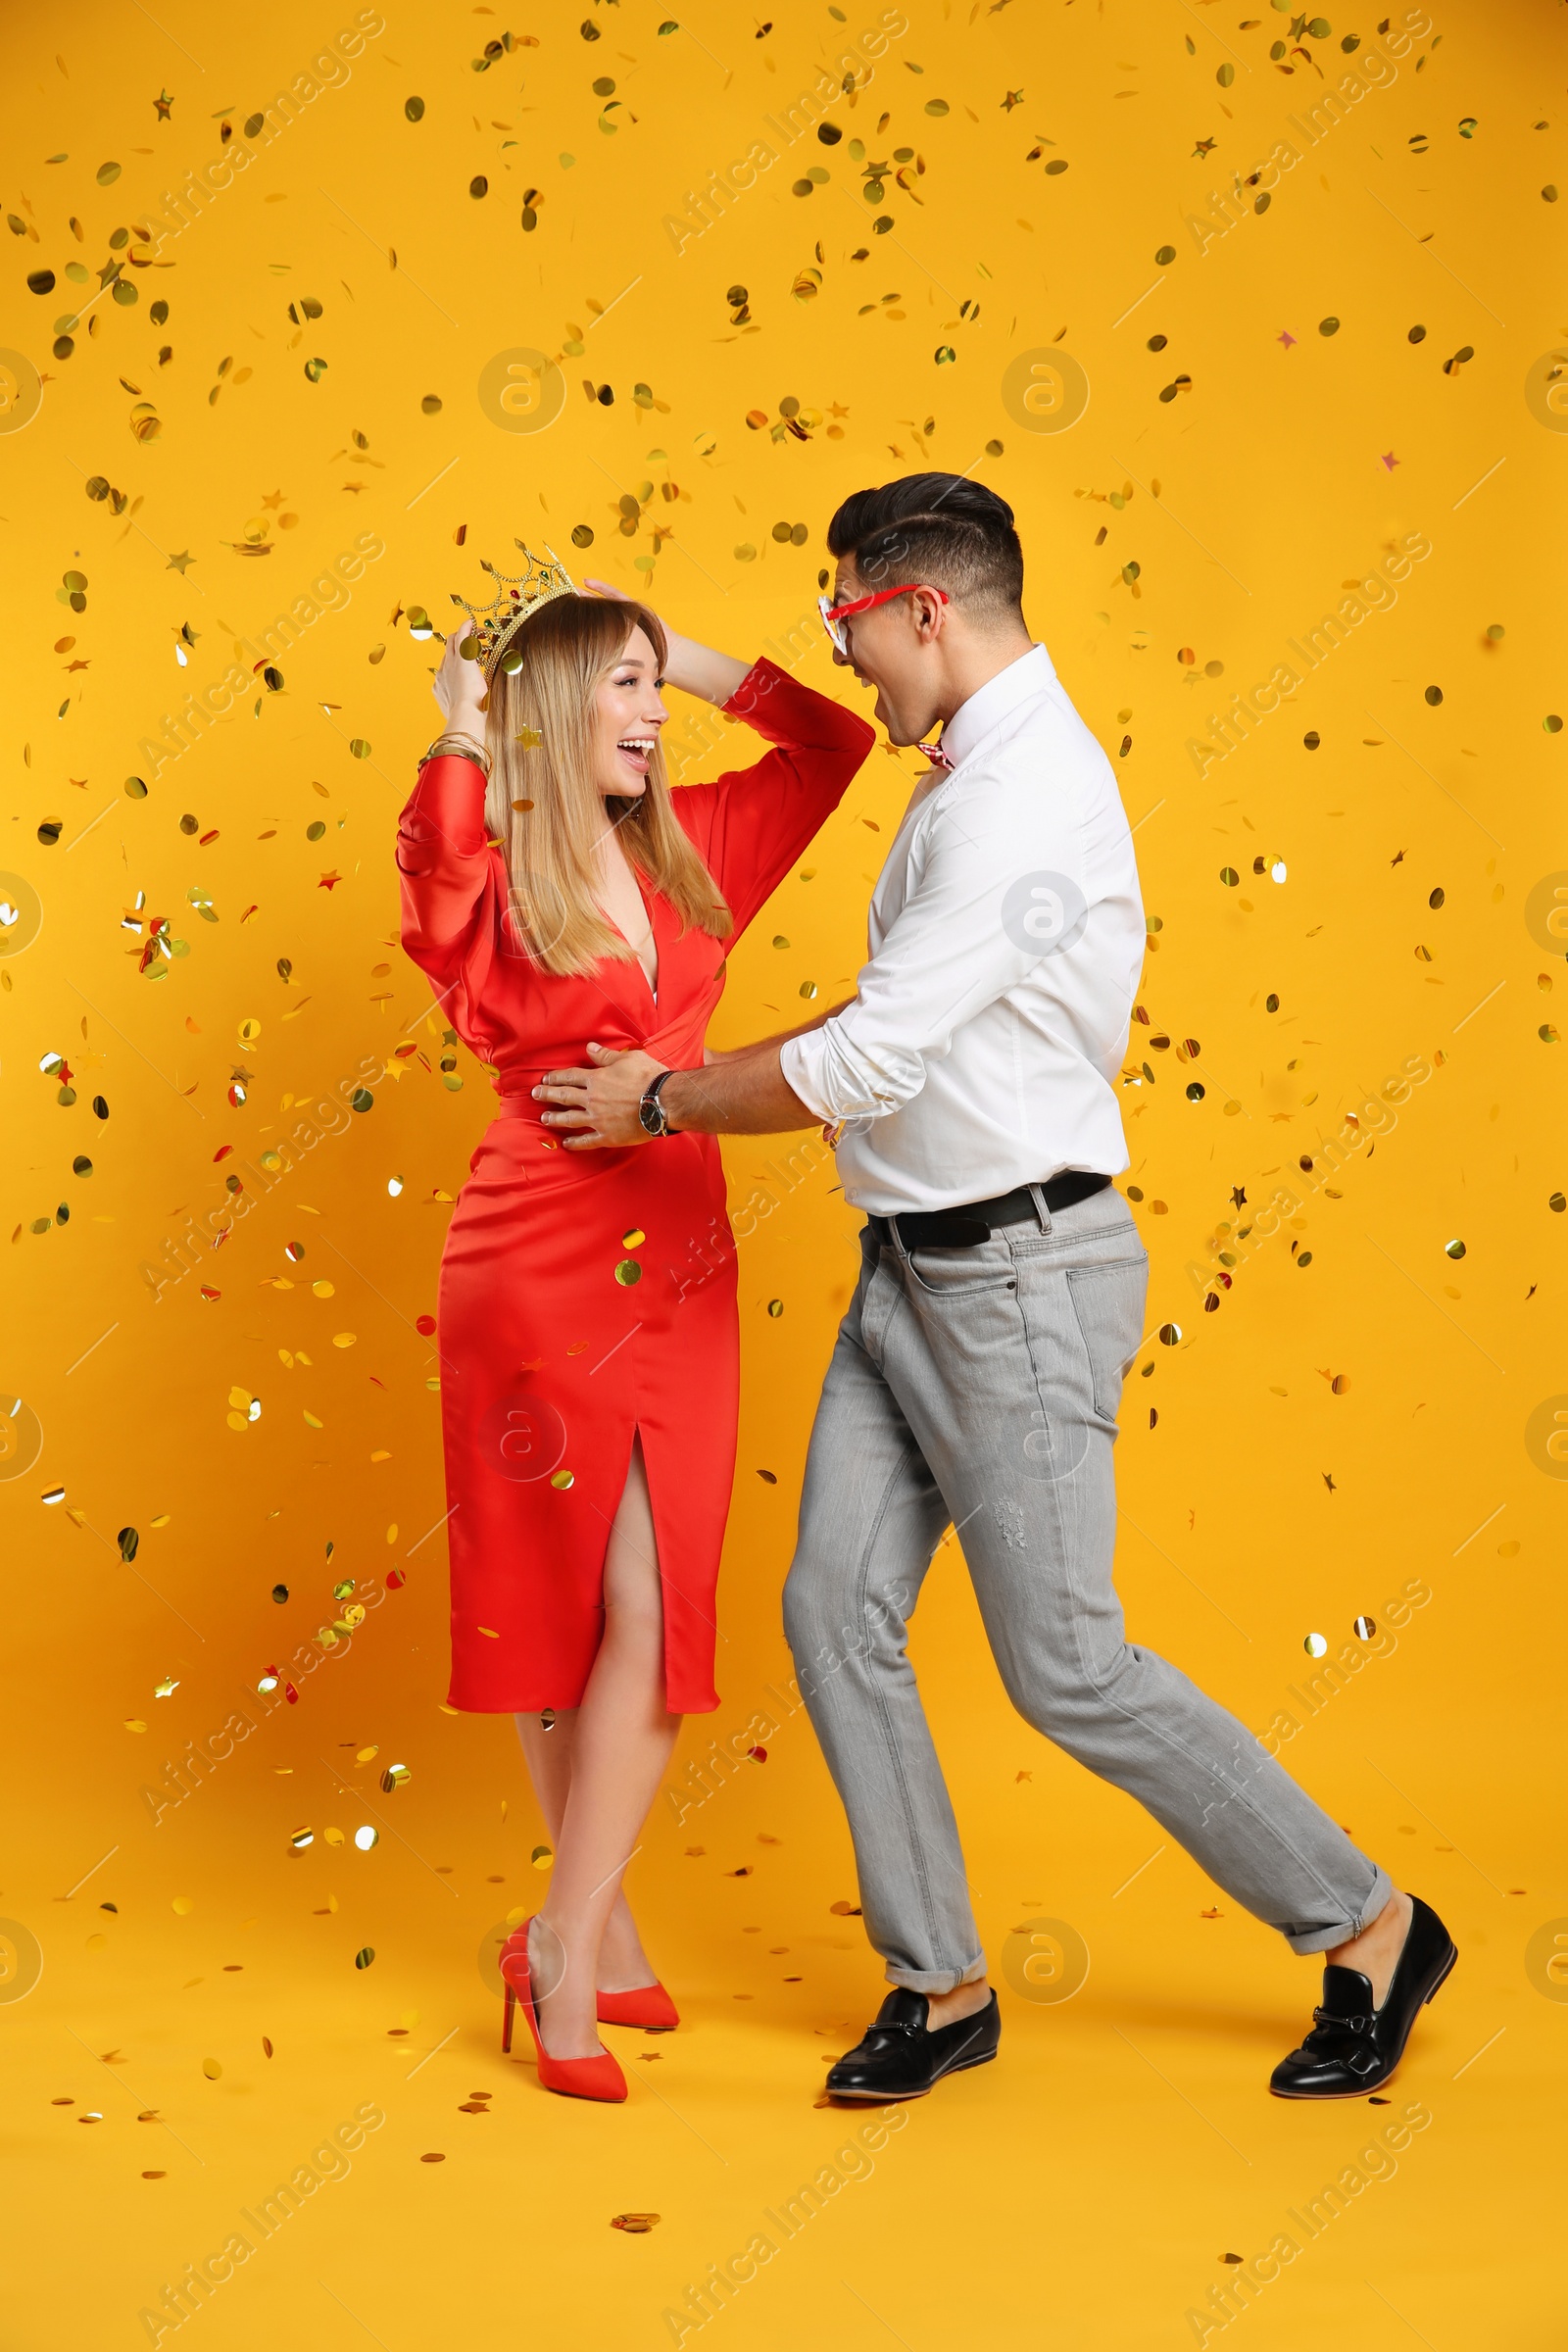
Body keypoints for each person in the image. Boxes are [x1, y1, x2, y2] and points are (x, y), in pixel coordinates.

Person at [532, 478, 1457, 2105]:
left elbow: (876, 1050)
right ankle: (943, 1986)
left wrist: (663, 1099)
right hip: (915, 1267)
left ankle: (1372, 1925)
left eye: (846, 625)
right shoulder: (972, 770)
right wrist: (655, 654)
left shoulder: (1025, 796)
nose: (852, 665)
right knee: (831, 1612)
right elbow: (906, 1030)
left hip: (1018, 1272)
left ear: (918, 611)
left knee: (1071, 1668)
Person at [397, 552, 873, 2101]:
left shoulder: (700, 845)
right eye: (613, 683)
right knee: (565, 1607)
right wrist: (463, 723)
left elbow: (833, 742)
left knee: (654, 1616)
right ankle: (585, 1953)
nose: (648, 711)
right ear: (544, 708)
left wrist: (686, 649)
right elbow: (434, 871)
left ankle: (563, 1932)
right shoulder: (493, 864)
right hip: (528, 1258)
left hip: (675, 1255)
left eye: (647, 684)